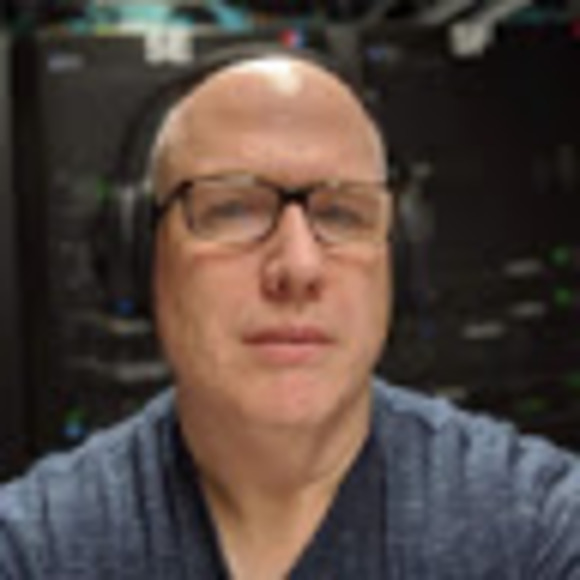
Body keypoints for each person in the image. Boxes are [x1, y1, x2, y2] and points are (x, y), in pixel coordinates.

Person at [2, 47, 580, 580]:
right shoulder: (35, 548)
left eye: (344, 215)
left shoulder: (539, 526)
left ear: (400, 259)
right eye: (231, 209)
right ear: (138, 256)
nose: (299, 267)